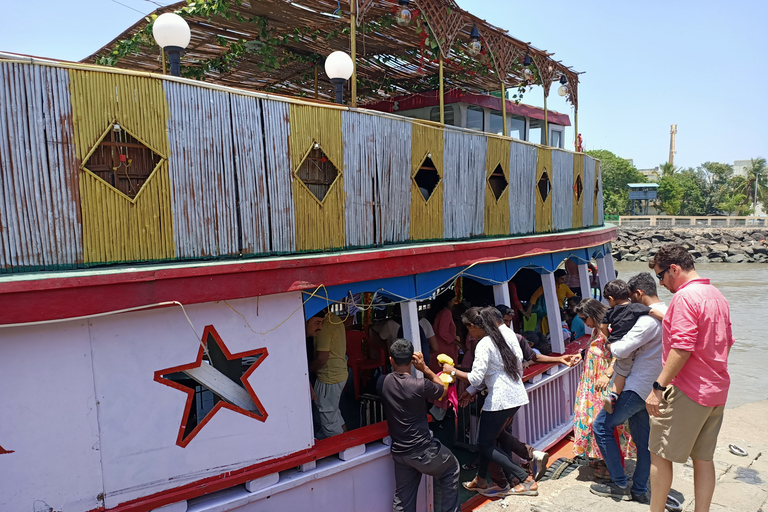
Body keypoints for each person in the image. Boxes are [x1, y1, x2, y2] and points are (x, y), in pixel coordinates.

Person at [646, 244, 735, 512]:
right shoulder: (716, 295)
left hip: (688, 389)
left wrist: (658, 387)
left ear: (674, 269)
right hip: (716, 388)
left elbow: (682, 348)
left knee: (660, 454)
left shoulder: (685, 298)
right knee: (704, 459)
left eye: (661, 276)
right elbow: (728, 342)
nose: (661, 284)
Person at [442, 307, 538, 497]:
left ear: (475, 326)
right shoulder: (508, 335)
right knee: (490, 439)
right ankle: (482, 480)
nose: (470, 334)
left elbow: (476, 378)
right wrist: (471, 391)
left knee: (485, 443)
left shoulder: (485, 343)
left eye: (469, 329)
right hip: (515, 394)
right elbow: (513, 365)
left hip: (499, 399)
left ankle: (525, 479)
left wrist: (451, 371)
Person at [588, 273, 667, 503]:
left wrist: (612, 342)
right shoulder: (667, 313)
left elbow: (621, 351)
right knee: (643, 443)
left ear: (638, 294)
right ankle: (640, 489)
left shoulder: (646, 321)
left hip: (636, 385)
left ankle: (620, 483)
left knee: (601, 426)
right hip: (652, 386)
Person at [379, 339, 460, 512]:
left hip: (400, 452)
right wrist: (425, 369)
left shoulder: (383, 382)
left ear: (391, 359)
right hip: (422, 450)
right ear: (412, 360)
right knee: (451, 468)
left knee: (403, 499)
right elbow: (442, 390)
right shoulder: (419, 385)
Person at [572, 298, 634, 462]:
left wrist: (607, 374)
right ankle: (603, 460)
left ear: (592, 314)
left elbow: (622, 353)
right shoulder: (596, 330)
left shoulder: (610, 329)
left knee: (603, 421)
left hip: (603, 382)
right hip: (593, 382)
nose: (584, 323)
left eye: (585, 319)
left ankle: (611, 465)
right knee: (594, 420)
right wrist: (580, 356)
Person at [600, 279, 665, 414]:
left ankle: (613, 395)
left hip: (619, 344)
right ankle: (615, 395)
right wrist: (667, 320)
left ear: (611, 299)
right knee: (623, 371)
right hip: (633, 348)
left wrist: (608, 340)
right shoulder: (635, 307)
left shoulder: (609, 312)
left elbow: (602, 327)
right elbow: (653, 312)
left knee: (621, 370)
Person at [308, 310, 348, 439]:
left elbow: (321, 359)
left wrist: (303, 373)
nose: (319, 326)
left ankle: (342, 452)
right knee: (335, 415)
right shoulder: (334, 318)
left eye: (319, 323)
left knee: (329, 422)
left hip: (329, 377)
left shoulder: (325, 325)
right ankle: (347, 442)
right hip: (339, 373)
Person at [526, 269, 575, 335]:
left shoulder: (564, 287)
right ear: (556, 277)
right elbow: (535, 296)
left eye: (565, 279)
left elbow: (573, 297)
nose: (563, 281)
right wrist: (529, 308)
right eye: (561, 279)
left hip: (559, 313)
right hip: (546, 313)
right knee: (547, 333)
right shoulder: (546, 286)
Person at [427, 290, 460, 372]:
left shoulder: (435, 312)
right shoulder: (446, 313)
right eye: (453, 300)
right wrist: (459, 343)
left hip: (436, 348)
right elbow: (443, 333)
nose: (453, 302)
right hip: (445, 349)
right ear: (448, 301)